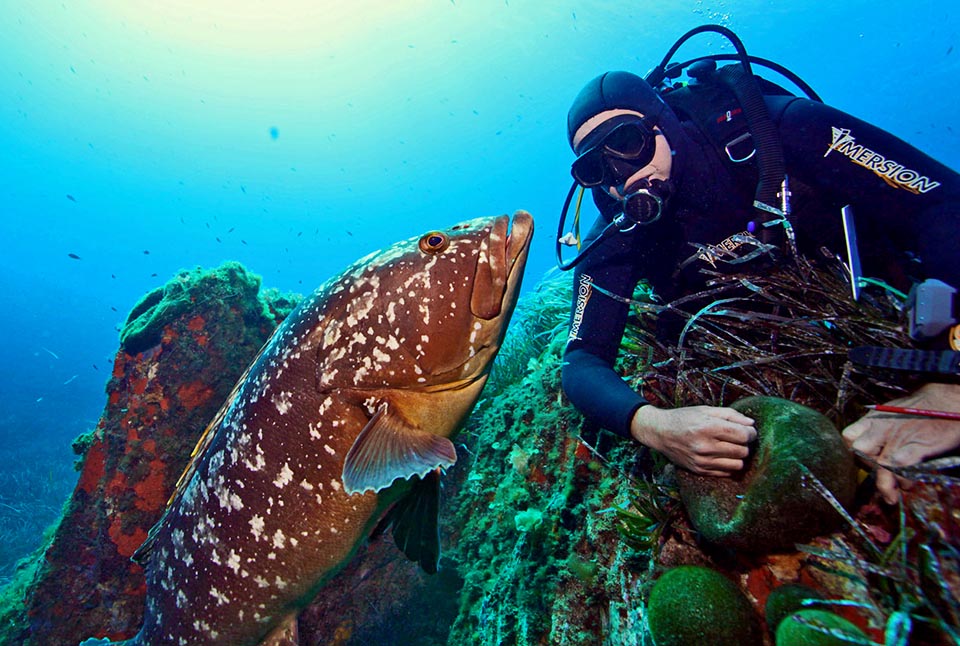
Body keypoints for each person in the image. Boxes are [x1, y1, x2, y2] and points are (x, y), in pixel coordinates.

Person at [559, 42, 960, 505]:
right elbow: (582, 361)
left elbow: (941, 202)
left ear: (662, 125)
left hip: (881, 300)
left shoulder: (782, 128)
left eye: (627, 142)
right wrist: (653, 425)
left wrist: (951, 383)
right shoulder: (617, 232)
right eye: (595, 167)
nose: (620, 173)